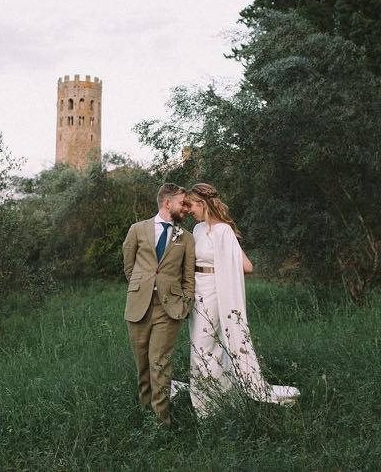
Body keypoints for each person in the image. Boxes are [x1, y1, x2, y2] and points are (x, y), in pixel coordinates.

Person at [180, 182, 300, 417]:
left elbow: (247, 266)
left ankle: (209, 408)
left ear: (202, 204)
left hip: (214, 292)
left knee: (206, 347)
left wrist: (225, 266)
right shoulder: (197, 230)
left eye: (191, 205)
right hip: (198, 292)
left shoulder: (224, 231)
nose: (189, 210)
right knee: (201, 346)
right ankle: (213, 401)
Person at [121, 183, 195, 427]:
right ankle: (145, 417)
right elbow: (129, 266)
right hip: (138, 306)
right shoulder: (137, 229)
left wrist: (184, 303)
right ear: (167, 203)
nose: (186, 208)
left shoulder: (187, 238)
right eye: (182, 203)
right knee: (142, 365)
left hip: (169, 308)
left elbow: (188, 277)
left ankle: (162, 423)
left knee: (159, 364)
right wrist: (140, 287)